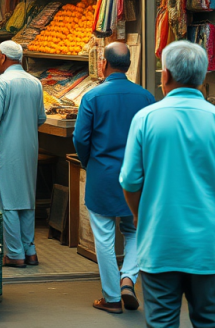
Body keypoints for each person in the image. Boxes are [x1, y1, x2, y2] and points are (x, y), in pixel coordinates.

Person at [120, 41, 215, 328]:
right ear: (202, 77)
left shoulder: (145, 119)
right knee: (210, 322)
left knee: (162, 323)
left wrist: (140, 214)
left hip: (160, 242)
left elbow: (130, 179)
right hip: (210, 245)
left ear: (165, 75)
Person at [73, 42, 155, 314]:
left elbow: (80, 138)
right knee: (136, 231)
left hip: (103, 175)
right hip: (137, 177)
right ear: (128, 65)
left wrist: (88, 162)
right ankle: (128, 279)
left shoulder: (92, 97)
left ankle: (110, 298)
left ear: (104, 64)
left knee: (104, 237)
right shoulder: (146, 97)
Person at [0, 40, 46, 268]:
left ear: (3, 57)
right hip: (29, 148)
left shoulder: (1, 82)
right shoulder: (35, 83)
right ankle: (30, 251)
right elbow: (41, 118)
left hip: (6, 148)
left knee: (7, 200)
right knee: (26, 199)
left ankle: (15, 253)